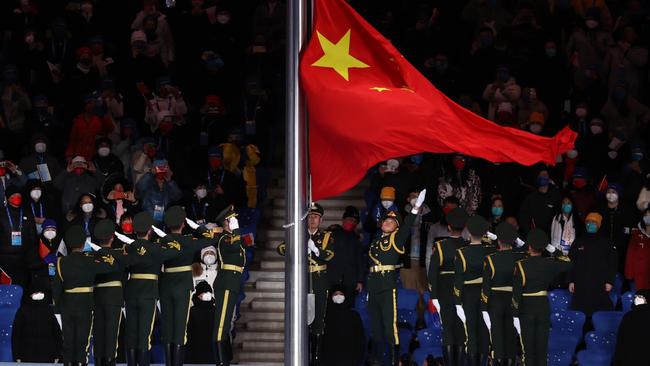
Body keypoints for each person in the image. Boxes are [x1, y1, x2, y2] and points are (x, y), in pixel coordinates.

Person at [368, 190, 426, 366]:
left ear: (396, 227)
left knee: (389, 325)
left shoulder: (397, 239)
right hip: (374, 284)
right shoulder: (376, 241)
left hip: (387, 285)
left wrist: (415, 208)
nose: (387, 222)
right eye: (386, 220)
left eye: (391, 221)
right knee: (376, 326)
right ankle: (376, 359)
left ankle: (395, 361)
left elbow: (408, 224)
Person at [158, 206, 218, 366]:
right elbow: (211, 238)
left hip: (165, 286)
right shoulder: (189, 241)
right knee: (179, 328)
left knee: (167, 326)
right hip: (182, 287)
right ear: (183, 224)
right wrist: (197, 227)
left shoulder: (162, 242)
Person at [277, 202, 334, 365]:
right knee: (300, 318)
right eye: (310, 217)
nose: (312, 220)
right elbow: (280, 249)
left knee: (318, 319)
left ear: (320, 220)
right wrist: (296, 243)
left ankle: (315, 358)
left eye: (316, 217)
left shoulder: (326, 237)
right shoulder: (297, 234)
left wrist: (315, 249)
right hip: (300, 279)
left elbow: (329, 255)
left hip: (318, 280)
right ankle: (300, 355)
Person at [52, 225, 118, 365]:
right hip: (85, 305)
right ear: (83, 243)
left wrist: (57, 309)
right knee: (83, 342)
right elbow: (110, 265)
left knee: (68, 342)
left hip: (67, 306)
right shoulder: (90, 260)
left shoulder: (60, 262)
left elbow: (56, 288)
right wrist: (103, 250)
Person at [124, 212, 181, 366]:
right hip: (148, 292)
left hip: (131, 291)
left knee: (131, 333)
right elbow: (176, 250)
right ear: (150, 230)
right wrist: (164, 236)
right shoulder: (156, 248)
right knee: (144, 334)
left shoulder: (129, 248)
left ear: (135, 230)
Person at [512, 229, 572, 366]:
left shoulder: (521, 265)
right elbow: (568, 262)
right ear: (543, 248)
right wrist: (551, 247)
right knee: (542, 349)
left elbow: (516, 293)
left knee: (529, 350)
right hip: (543, 307)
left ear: (529, 246)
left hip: (526, 309)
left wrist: (514, 313)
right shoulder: (550, 263)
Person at [480, 222, 526, 365]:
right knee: (511, 339)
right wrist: (517, 240)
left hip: (495, 302)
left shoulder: (490, 259)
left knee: (497, 339)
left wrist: (483, 306)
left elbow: (485, 287)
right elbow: (528, 246)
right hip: (513, 301)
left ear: (498, 240)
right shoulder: (520, 256)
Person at [453, 215, 496, 365]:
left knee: (470, 332)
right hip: (487, 293)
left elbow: (458, 280)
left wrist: (457, 301)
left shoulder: (462, 252)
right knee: (484, 332)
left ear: (468, 232)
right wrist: (490, 235)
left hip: (468, 295)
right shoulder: (491, 249)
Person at [428, 207, 468, 365]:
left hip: (444, 291)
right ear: (464, 227)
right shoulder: (468, 246)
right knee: (461, 330)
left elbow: (432, 274)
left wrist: (433, 296)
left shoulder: (440, 246)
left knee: (448, 331)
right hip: (464, 290)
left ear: (449, 227)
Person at [208, 205, 243, 366]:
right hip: (227, 282)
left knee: (226, 321)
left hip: (232, 282)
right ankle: (220, 361)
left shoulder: (233, 237)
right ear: (226, 223)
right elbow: (235, 246)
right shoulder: (225, 238)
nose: (235, 222)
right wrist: (235, 231)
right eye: (231, 220)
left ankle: (224, 358)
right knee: (221, 323)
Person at [92, 219, 129, 366]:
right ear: (112, 238)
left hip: (98, 296)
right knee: (111, 334)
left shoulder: (93, 256)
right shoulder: (120, 255)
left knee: (99, 333)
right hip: (114, 296)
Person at [568, 212, 618, 317]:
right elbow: (571, 262)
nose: (590, 224)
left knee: (599, 312)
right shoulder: (578, 241)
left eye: (594, 222)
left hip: (599, 284)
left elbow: (612, 263)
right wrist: (571, 280)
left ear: (599, 225)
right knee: (580, 312)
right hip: (581, 283)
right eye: (588, 222)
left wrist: (610, 281)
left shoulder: (606, 243)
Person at [11, 274, 62, 363]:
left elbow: (57, 334)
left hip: (47, 357)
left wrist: (58, 355)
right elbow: (16, 335)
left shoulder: (49, 311)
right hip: (26, 357)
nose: (39, 294)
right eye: (36, 292)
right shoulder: (23, 311)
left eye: (41, 292)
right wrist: (17, 356)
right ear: (30, 294)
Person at [0, 185, 37, 287]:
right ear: (8, 197)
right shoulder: (1, 213)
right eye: (14, 195)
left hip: (23, 258)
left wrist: (32, 256)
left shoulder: (27, 213)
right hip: (4, 258)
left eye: (19, 195)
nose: (17, 197)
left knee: (21, 287)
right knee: (6, 287)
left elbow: (33, 236)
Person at [327, 206, 364, 306]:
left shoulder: (357, 239)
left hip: (350, 280)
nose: (351, 222)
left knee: (348, 307)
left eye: (354, 221)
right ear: (343, 220)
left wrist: (360, 280)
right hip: (332, 278)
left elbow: (360, 261)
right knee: (330, 308)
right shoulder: (331, 235)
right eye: (349, 219)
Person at [321, 287, 365, 366]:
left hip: (350, 359)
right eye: (335, 294)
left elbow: (360, 337)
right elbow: (325, 341)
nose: (338, 296)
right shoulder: (327, 316)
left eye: (341, 294)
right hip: (331, 360)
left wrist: (358, 358)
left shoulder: (354, 315)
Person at [136, 159, 182, 225]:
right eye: (159, 168)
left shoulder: (168, 185)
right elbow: (139, 189)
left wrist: (169, 180)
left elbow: (177, 197)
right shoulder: (148, 183)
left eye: (163, 168)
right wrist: (150, 173)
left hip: (165, 223)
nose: (161, 171)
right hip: (149, 222)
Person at [518, 168, 561, 235]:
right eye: (540, 175)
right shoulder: (530, 197)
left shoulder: (556, 196)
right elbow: (523, 217)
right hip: (534, 236)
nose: (543, 177)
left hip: (552, 236)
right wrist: (529, 232)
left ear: (549, 178)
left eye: (545, 175)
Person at [613, 289, 650, 366]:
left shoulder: (629, 316)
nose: (636, 300)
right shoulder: (628, 316)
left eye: (639, 298)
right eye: (635, 297)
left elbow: (621, 342)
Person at [184, 281, 215, 365]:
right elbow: (189, 333)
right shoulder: (192, 311)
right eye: (204, 294)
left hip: (212, 354)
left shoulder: (215, 311)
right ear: (198, 295)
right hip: (195, 353)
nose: (207, 296)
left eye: (208, 294)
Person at [625, 209, 650, 290]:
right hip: (638, 275)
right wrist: (629, 274)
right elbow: (630, 255)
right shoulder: (636, 234)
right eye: (646, 215)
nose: (648, 217)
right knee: (639, 298)